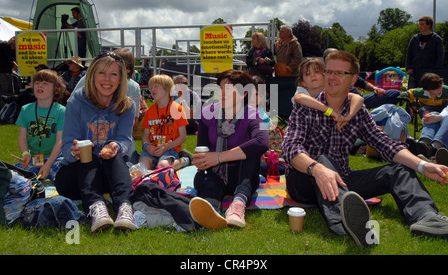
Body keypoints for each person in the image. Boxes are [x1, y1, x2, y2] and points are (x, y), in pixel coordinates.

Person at [282, 50, 448, 247]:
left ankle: (426, 217)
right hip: (304, 179)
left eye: (339, 73)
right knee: (323, 160)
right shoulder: (306, 106)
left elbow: (384, 143)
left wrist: (422, 165)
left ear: (353, 79)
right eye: (329, 71)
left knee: (399, 171)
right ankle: (346, 225)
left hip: (343, 179)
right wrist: (317, 169)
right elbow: (290, 147)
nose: (331, 77)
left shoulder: (358, 111)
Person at [55, 52, 136, 232]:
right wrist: (74, 151)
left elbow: (125, 140)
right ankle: (96, 207)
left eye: (114, 74)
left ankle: (124, 207)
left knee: (114, 156)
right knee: (87, 155)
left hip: (108, 175)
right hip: (75, 178)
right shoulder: (76, 102)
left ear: (121, 78)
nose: (107, 79)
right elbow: (67, 144)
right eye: (101, 73)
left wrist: (117, 146)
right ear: (92, 75)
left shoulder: (127, 106)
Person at [189, 70, 269, 229]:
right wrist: (202, 159)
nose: (222, 93)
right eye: (221, 88)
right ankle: (211, 211)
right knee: (207, 180)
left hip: (241, 175)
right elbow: (202, 146)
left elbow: (262, 142)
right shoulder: (208, 112)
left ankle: (237, 206)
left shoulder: (253, 114)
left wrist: (219, 157)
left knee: (251, 157)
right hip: (214, 173)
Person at [72, 48, 141, 163]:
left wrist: (115, 141)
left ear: (127, 71)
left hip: (118, 139)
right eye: (104, 69)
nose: (108, 78)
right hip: (89, 139)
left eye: (116, 71)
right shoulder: (87, 81)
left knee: (130, 166)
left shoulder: (133, 88)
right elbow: (73, 108)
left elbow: (133, 122)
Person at [15, 69, 66, 181]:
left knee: (63, 178)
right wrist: (25, 154)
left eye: (45, 83)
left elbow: (60, 141)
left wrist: (47, 165)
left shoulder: (61, 111)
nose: (40, 86)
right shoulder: (26, 109)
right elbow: (22, 137)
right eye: (37, 83)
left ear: (57, 90)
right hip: (33, 158)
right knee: (15, 177)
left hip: (55, 158)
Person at [293, 58, 364, 132]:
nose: (312, 75)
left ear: (325, 76)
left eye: (316, 72)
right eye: (308, 74)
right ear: (303, 83)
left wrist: (348, 116)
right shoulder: (302, 91)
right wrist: (330, 112)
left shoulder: (330, 89)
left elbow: (358, 98)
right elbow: (299, 98)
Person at [139, 74, 190, 170]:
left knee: (163, 166)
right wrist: (148, 147)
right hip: (152, 150)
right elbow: (145, 136)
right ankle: (154, 165)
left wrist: (165, 148)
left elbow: (182, 137)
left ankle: (184, 160)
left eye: (156, 86)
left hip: (170, 149)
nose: (152, 89)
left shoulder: (177, 109)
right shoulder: (150, 111)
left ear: (167, 89)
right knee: (142, 166)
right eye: (151, 87)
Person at [324, 48, 401, 109]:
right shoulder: (324, 77)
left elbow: (362, 83)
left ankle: (383, 115)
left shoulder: (347, 72)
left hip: (361, 100)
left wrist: (375, 89)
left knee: (394, 93)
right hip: (348, 102)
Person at [406, 16, 445, 89]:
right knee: (411, 95)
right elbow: (409, 54)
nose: (420, 26)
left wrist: (434, 71)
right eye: (419, 24)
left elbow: (440, 57)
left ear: (429, 25)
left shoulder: (436, 39)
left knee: (427, 94)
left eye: (422, 24)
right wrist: (408, 68)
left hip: (429, 73)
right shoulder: (415, 38)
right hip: (415, 71)